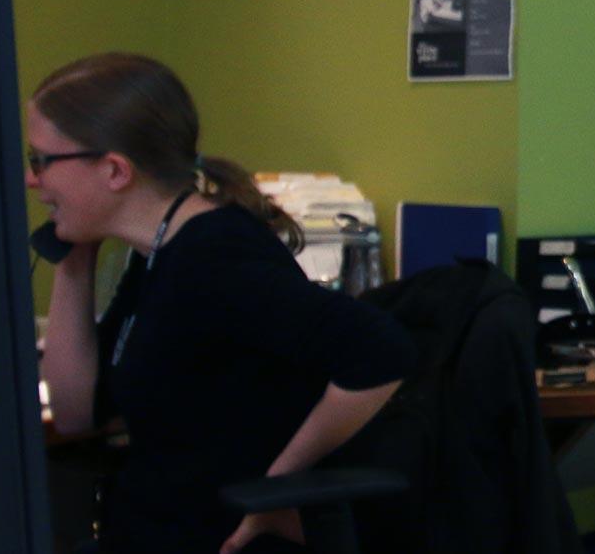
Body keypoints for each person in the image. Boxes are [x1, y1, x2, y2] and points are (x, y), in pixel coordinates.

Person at [33, 52, 416, 554]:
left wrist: (276, 486)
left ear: (114, 170)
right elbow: (76, 413)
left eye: (41, 161)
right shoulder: (157, 251)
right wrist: (74, 260)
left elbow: (381, 351)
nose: (32, 180)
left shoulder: (216, 258)